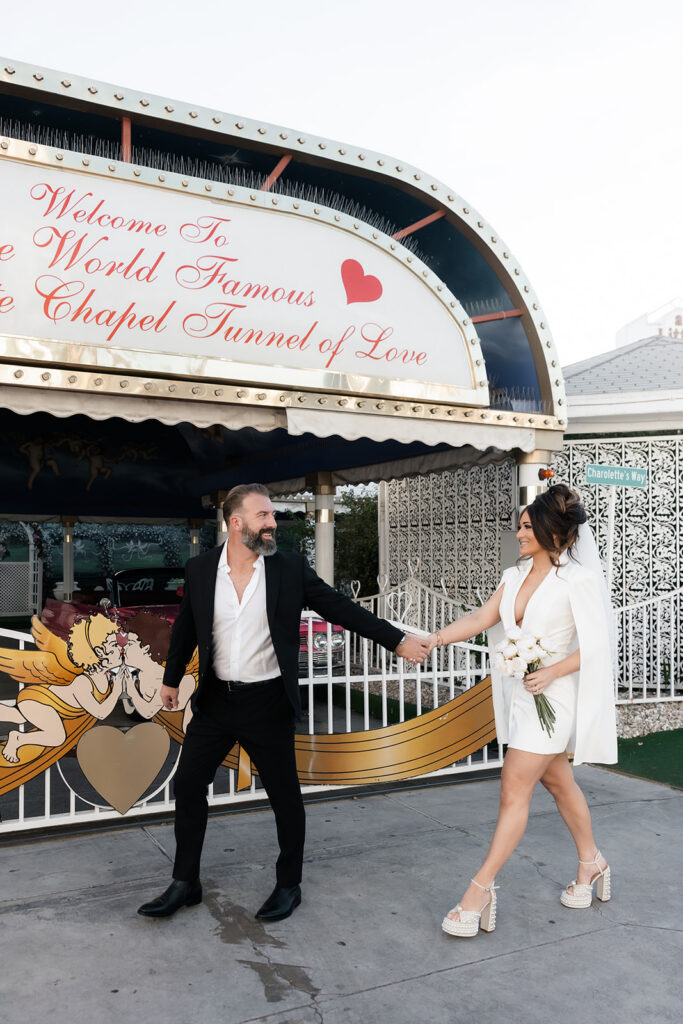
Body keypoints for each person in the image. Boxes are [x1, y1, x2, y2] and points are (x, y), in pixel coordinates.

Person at [138, 482, 430, 922]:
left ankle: (288, 884)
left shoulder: (289, 569)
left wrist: (397, 641)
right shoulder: (200, 569)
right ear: (236, 524)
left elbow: (339, 609)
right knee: (189, 786)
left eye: (273, 516)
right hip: (216, 701)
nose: (273, 523)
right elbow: (187, 627)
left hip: (267, 702)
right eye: (263, 516)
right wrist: (172, 678)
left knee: (284, 796)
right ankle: (185, 882)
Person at [426, 484, 617, 938]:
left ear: (557, 534)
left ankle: (479, 891)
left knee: (513, 789)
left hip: (553, 697)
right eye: (521, 525)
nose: (519, 533)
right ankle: (592, 862)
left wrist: (551, 672)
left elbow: (597, 646)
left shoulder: (580, 581)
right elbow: (480, 619)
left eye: (529, 527)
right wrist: (435, 639)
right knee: (559, 782)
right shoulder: (513, 577)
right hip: (519, 698)